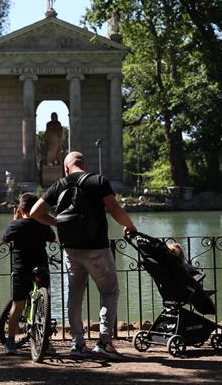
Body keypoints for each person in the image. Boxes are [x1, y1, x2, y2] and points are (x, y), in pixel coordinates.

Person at [29, 151, 137, 360]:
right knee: (109, 291)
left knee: (75, 296)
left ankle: (77, 344)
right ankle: (104, 342)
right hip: (97, 248)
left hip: (71, 249)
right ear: (84, 165)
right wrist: (130, 226)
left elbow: (34, 212)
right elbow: (114, 209)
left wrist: (57, 222)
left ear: (66, 168)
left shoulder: (59, 185)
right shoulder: (98, 181)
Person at [1, 192, 56, 355]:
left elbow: (4, 239)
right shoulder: (43, 225)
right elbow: (52, 238)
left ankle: (10, 342)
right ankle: (45, 342)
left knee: (17, 305)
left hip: (21, 268)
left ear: (20, 208)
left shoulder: (16, 225)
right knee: (43, 304)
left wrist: (15, 220)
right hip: (41, 266)